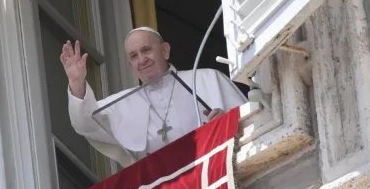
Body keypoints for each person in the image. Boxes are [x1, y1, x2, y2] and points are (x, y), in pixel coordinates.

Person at [62, 27, 246, 167]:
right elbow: (86, 122)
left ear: (165, 51)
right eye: (134, 56)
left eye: (146, 50)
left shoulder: (208, 79)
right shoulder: (125, 102)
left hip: (217, 168)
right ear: (130, 64)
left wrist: (228, 123)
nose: (142, 60)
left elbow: (252, 119)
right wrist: (77, 81)